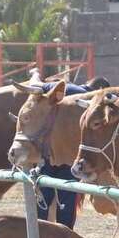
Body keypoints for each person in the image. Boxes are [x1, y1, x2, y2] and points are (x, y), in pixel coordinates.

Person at [36, 76, 110, 229]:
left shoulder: (63, 88)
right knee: (67, 196)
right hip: (70, 155)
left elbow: (37, 85)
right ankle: (65, 235)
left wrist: (35, 73)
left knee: (43, 194)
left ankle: (38, 235)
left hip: (48, 152)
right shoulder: (94, 101)